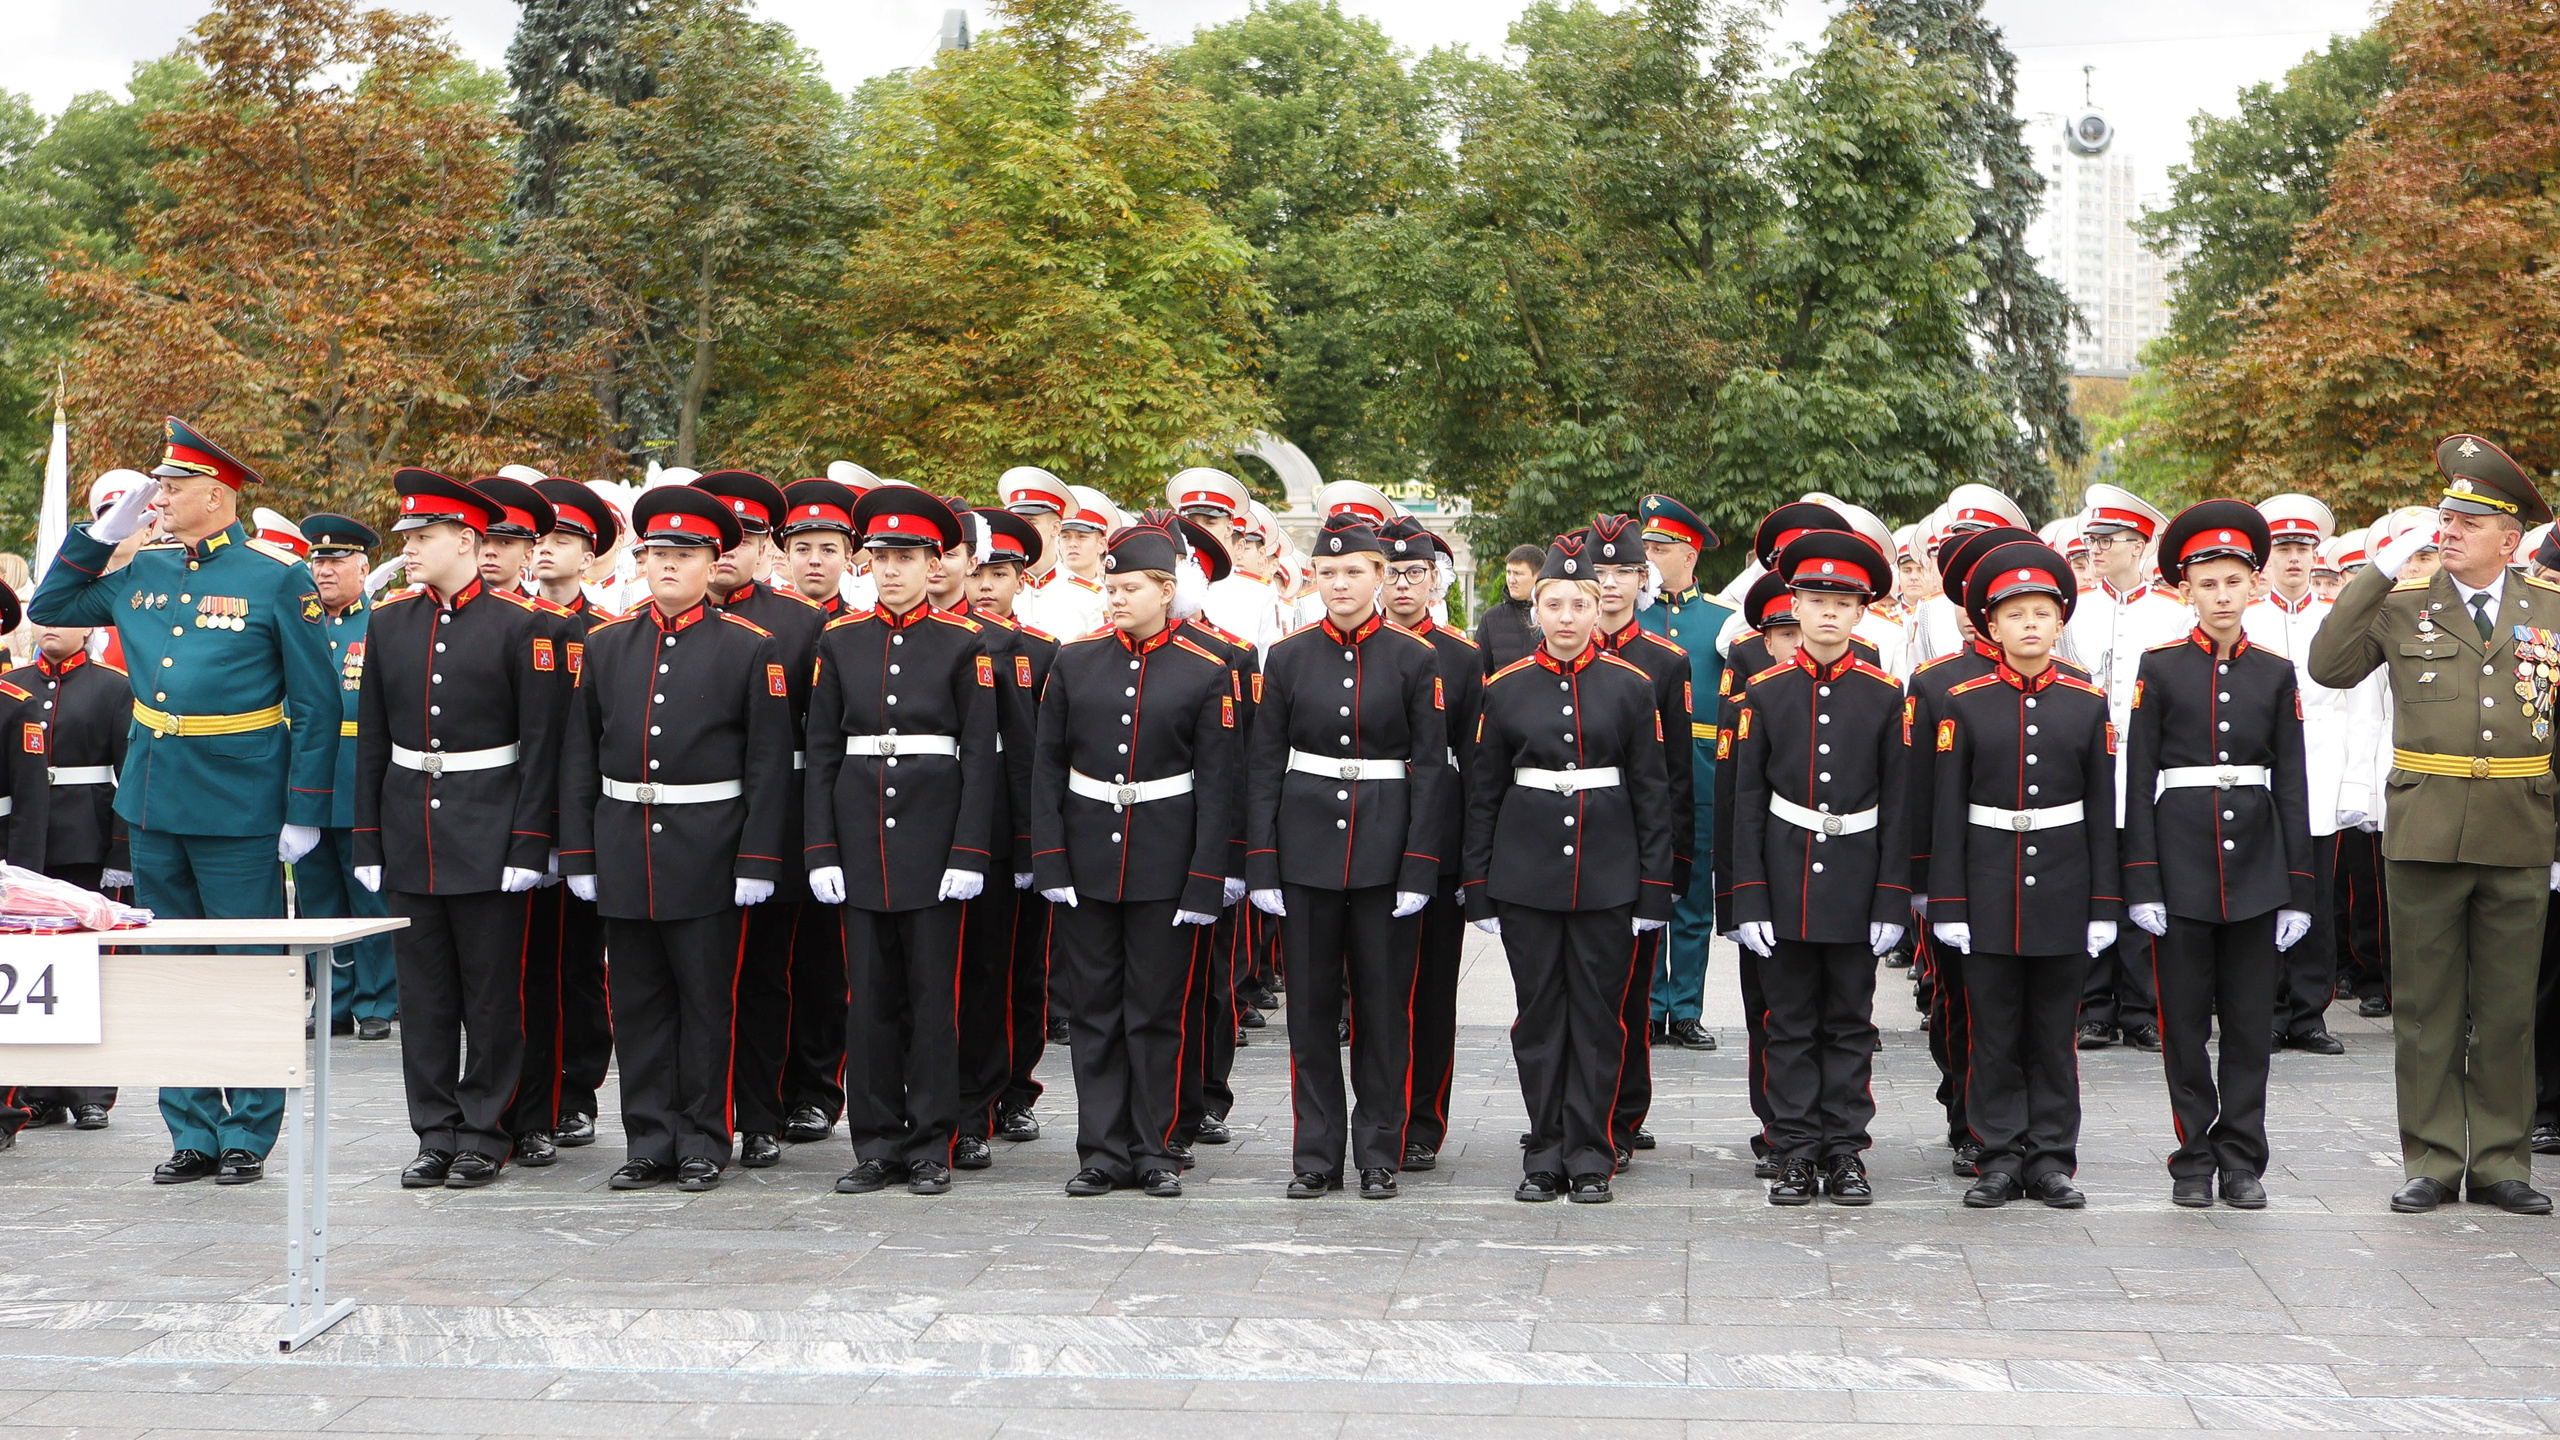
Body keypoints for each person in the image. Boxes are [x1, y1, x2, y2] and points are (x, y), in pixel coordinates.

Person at [29, 417, 339, 1187]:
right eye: (157, 486)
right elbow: (52, 602)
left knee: (246, 963)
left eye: (171, 487)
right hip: (155, 795)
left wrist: (302, 807)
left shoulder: (276, 579)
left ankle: (248, 1129)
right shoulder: (145, 571)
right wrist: (103, 533)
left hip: (240, 799)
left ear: (216, 494)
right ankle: (192, 1128)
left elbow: (318, 701)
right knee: (171, 962)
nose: (158, 498)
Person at [2309, 434, 2559, 1216]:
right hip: (2424, 829)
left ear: (2509, 541)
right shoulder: (2403, 608)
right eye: (2444, 518)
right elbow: (2328, 663)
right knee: (2426, 1009)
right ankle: (2432, 1156)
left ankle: (2500, 1161)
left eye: (2466, 524)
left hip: (2521, 830)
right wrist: (2379, 569)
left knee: (2510, 1009)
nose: (2446, 531)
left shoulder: (2549, 609)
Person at [562, 486, 794, 1193]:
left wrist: (758, 857)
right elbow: (579, 755)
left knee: (705, 1003)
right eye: (656, 554)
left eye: (683, 555)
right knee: (636, 1005)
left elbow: (768, 764)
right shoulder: (605, 645)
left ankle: (702, 1138)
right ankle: (649, 1139)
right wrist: (580, 853)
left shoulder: (751, 648)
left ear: (711, 564)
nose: (667, 567)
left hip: (710, 850)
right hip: (626, 846)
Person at [351, 471, 565, 1189]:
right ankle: (433, 1131)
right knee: (426, 997)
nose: (409, 550)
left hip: (492, 828)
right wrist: (369, 841)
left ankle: (485, 1130)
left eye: (423, 538)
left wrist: (531, 840)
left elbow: (543, 746)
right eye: (407, 538)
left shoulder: (524, 626)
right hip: (413, 829)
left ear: (468, 541)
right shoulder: (389, 622)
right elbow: (372, 740)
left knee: (492, 996)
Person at [1030, 520, 1239, 1199]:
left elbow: (1218, 781)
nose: (1114, 597)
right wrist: (1053, 862)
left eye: (1129, 588)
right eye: (1110, 586)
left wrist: (1207, 878)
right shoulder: (1076, 660)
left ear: (1166, 591)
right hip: (1089, 857)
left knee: (1155, 1010)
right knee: (1094, 1012)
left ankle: (1153, 1148)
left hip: (1165, 860)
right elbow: (1047, 770)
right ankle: (1100, 1151)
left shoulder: (1207, 669)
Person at [1467, 533, 1675, 1204]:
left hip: (1608, 874)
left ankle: (1592, 1152)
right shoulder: (1503, 689)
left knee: (1597, 1017)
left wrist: (1653, 887)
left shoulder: (1632, 686)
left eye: (1577, 604)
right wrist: (1479, 886)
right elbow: (1484, 792)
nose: (1564, 617)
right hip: (1527, 877)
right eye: (1552, 604)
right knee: (1538, 1016)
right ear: (1536, 610)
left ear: (1595, 609)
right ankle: (1544, 1149)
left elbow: (1652, 791)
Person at [805, 487, 998, 1197]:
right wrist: (821, 850)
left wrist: (969, 852)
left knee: (932, 1004)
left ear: (934, 564)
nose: (891, 571)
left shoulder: (963, 643)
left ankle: (931, 1145)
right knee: (870, 1005)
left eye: (907, 558)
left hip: (933, 845)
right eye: (881, 558)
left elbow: (980, 757)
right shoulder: (840, 641)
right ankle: (877, 1143)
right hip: (860, 848)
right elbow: (822, 751)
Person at [1247, 513, 1446, 1200]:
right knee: (1307, 1015)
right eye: (1328, 572)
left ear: (1381, 578)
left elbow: (1429, 768)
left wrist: (1421, 864)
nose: (1339, 583)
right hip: (1305, 854)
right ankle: (1315, 1155)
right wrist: (1263, 862)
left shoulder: (1415, 658)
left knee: (1384, 1014)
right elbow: (1265, 762)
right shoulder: (1289, 655)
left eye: (1354, 571)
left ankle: (1379, 1153)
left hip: (1385, 855)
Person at [2121, 501, 2313, 1210]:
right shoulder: (2160, 668)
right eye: (2209, 584)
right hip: (2181, 865)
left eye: (2235, 581)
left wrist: (2296, 888)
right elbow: (2138, 776)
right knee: (2182, 1028)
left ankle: (2242, 1157)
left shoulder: (2276, 671)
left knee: (2248, 1026)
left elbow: (2292, 782)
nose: (2223, 596)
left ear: (2254, 587)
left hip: (2257, 870)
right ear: (2185, 591)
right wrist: (2140, 876)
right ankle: (2192, 1156)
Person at [1929, 539, 2120, 1210]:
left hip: (2065, 885)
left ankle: (2050, 1158)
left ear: (2061, 620)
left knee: (2052, 1032)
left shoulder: (2086, 701)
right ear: (1990, 626)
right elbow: (1947, 810)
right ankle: (1998, 1155)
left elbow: (2102, 808)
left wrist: (2104, 904)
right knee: (1993, 1030)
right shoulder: (1964, 701)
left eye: (2043, 612)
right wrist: (1948, 902)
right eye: (2015, 615)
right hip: (1986, 884)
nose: (2031, 624)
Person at [1730, 530, 1907, 1205]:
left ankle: (1846, 1151)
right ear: (1793, 608)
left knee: (1850, 1023)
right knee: (1789, 1022)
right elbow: (1747, 802)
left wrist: (1892, 899)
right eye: (1815, 599)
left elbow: (1899, 804)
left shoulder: (1887, 696)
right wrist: (1748, 897)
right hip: (1783, 877)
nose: (1828, 612)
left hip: (1858, 879)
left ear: (1861, 612)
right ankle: (1796, 1150)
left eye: (1842, 601)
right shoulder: (1765, 692)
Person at [1895, 524, 2047, 1178]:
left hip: (2037, 870)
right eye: (1966, 591)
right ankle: (1967, 1112)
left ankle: (2033, 1127)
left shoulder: (2058, 675)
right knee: (1957, 1000)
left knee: (2036, 1004)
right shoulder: (1933, 682)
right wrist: (1923, 884)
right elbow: (1917, 793)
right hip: (1956, 873)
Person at [690, 471, 829, 1172]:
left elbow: (812, 738)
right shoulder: (657, 621)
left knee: (766, 978)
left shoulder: (802, 622)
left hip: (774, 825)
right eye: (719, 537)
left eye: (743, 538)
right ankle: (698, 1114)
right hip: (689, 825)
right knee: (696, 982)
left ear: (763, 547)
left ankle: (762, 1112)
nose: (727, 551)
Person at [1583, 513, 1693, 1163]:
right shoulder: (1552, 654)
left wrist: (1674, 864)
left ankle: (1623, 1113)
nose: (1613, 584)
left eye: (1626, 570)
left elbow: (1678, 778)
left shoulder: (1664, 662)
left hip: (1636, 849)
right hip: (1567, 847)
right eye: (1600, 571)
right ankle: (1574, 1106)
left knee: (1630, 991)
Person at [2061, 484, 2187, 1053]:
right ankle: (2092, 1007)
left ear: (2139, 546)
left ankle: (2142, 1007)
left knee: (2143, 882)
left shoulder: (2172, 615)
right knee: (2091, 886)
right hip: (2086, 768)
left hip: (2147, 768)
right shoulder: (2073, 610)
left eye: (2107, 541)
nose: (2095, 551)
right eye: (2090, 541)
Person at [1379, 516, 1481, 1172]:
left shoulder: (1462, 657)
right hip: (1366, 838)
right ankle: (1381, 1113)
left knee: (1432, 992)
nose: (1402, 584)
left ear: (1434, 579)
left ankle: (1423, 1121)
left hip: (1439, 846)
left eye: (1414, 572)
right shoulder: (1350, 650)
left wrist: (1474, 862)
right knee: (1374, 991)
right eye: (1388, 572)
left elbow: (1476, 765)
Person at [523, 478, 621, 1150]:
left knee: (580, 965)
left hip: (585, 820)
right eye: (544, 539)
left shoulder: (609, 633)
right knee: (520, 968)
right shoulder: (511, 623)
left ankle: (577, 1089)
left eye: (565, 541)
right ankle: (527, 1090)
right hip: (514, 818)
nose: (550, 551)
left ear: (590, 557)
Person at [4, 613, 129, 1129]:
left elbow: (128, 772)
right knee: (33, 971)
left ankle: (90, 1090)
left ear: (90, 631)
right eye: (43, 621)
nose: (50, 628)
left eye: (64, 621)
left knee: (87, 966)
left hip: (86, 839)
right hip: (24, 842)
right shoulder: (13, 687)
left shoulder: (112, 688)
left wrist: (120, 854)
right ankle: (39, 1088)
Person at [2240, 493, 2350, 1057]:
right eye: (2283, 547)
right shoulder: (2246, 621)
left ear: (2316, 555)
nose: (2293, 559)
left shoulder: (2337, 619)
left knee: (2316, 898)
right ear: (2266, 558)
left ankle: (2309, 1013)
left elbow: (2357, 706)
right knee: (2263, 896)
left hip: (2321, 776)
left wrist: (2354, 786)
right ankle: (2268, 1010)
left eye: (2303, 548)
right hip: (2261, 778)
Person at [282, 513, 397, 1045]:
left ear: (362, 566)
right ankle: (331, 999)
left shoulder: (382, 624)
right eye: (317, 561)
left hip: (359, 776)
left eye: (335, 561)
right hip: (306, 777)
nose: (324, 571)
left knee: (368, 894)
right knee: (317, 898)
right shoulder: (296, 624)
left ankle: (378, 999)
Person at [772, 478, 863, 1146]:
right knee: (772, 959)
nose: (813, 560)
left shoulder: (858, 626)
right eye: (801, 547)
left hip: (841, 805)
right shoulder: (763, 623)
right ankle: (771, 1085)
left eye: (828, 548)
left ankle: (818, 1089)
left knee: (825, 964)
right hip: (777, 803)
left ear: (849, 557)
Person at [970, 506, 1060, 1145]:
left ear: (1021, 578)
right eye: (975, 571)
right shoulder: (947, 643)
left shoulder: (1043, 652)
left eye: (998, 573)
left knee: (1021, 970)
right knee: (969, 972)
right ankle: (970, 1092)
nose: (984, 585)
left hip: (1018, 830)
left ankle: (1016, 1089)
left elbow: (1044, 759)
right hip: (960, 829)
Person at [1637, 494, 1732, 1054]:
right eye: (1646, 545)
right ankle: (1649, 1007)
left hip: (1700, 776)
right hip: (1649, 775)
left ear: (1689, 553)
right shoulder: (1629, 616)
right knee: (1649, 894)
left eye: (1659, 547)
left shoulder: (1720, 622)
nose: (1648, 555)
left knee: (1696, 901)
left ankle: (1686, 1007)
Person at [1474, 544, 1546, 673]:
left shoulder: (1552, 617)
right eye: (1508, 572)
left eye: (1518, 573)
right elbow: (1479, 671)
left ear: (1538, 576)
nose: (1511, 580)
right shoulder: (1492, 618)